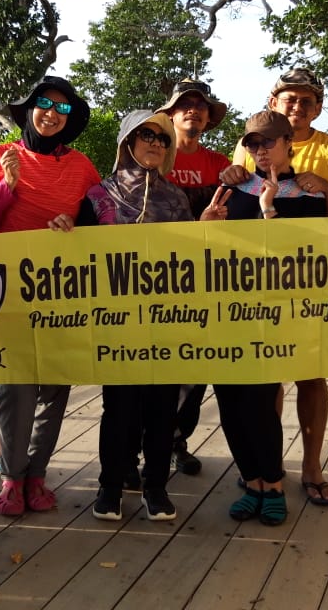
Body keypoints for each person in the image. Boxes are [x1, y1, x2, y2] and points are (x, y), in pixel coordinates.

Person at [222, 66, 328, 506]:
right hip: (253, 293)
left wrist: (324, 188)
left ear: (317, 107)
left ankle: (312, 467)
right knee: (266, 380)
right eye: (289, 98)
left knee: (311, 375)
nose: (297, 105)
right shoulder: (249, 149)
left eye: (306, 100)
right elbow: (233, 203)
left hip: (308, 287)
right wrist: (230, 179)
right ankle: (269, 469)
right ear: (273, 102)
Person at [0, 76, 100, 517]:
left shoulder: (82, 167)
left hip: (61, 292)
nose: (51, 113)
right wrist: (6, 185)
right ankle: (12, 477)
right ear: (29, 109)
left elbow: (99, 225)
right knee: (15, 387)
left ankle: (37, 475)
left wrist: (74, 225)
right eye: (44, 103)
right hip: (9, 294)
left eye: (62, 108)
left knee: (55, 387)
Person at [202, 110, 328, 527]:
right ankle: (252, 481)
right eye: (253, 143)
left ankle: (273, 483)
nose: (260, 150)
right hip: (228, 312)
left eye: (268, 142)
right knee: (229, 399)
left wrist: (269, 210)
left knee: (260, 400)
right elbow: (208, 250)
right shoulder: (231, 189)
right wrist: (205, 226)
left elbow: (308, 256)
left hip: (278, 315)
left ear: (289, 142)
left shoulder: (310, 193)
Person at [82, 110, 191, 522]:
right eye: (147, 135)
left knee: (162, 408)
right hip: (117, 322)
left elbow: (190, 258)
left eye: (163, 139)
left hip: (165, 320)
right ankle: (110, 486)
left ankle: (156, 487)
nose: (156, 144)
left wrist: (205, 229)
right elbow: (78, 252)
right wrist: (63, 226)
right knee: (119, 408)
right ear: (127, 141)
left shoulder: (177, 199)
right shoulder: (99, 195)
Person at [151, 79, 232, 477]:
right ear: (169, 114)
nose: (193, 110)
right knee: (154, 364)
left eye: (200, 105)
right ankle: (144, 442)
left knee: (197, 367)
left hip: (205, 279)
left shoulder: (220, 164)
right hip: (156, 275)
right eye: (185, 104)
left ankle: (176, 442)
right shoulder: (152, 156)